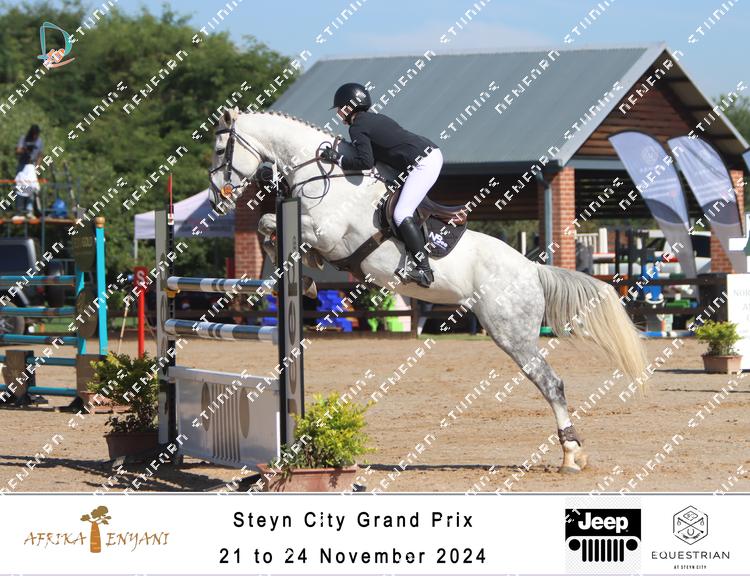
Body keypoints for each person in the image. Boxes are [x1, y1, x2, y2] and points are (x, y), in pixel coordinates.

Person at [320, 83, 442, 288]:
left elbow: (365, 162)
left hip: (423, 163)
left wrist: (337, 158)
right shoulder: (373, 119)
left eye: (340, 108)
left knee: (401, 214)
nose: (339, 113)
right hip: (424, 157)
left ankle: (424, 269)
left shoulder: (357, 127)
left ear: (349, 107)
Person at [13, 125, 43, 218]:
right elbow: (17, 151)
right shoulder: (23, 138)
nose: (35, 136)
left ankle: (29, 211)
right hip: (22, 165)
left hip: (31, 166)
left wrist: (37, 167)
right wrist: (24, 149)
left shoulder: (39, 141)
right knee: (20, 188)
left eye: (36, 134)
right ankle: (19, 212)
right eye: (33, 134)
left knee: (32, 188)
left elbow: (40, 155)